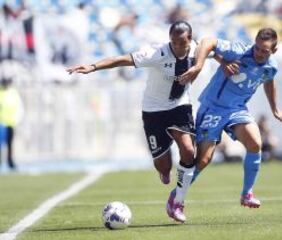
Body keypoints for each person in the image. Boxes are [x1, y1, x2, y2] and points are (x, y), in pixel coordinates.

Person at [67, 21, 200, 223]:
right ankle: (164, 170)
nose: (177, 46)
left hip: (180, 106)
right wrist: (93, 66)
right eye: (173, 42)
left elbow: (216, 50)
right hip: (153, 110)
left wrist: (226, 63)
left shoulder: (198, 50)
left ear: (189, 39)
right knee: (164, 166)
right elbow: (122, 60)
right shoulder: (156, 54)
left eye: (181, 42)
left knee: (189, 151)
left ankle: (177, 202)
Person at [176, 28, 282, 209]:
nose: (259, 53)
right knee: (204, 160)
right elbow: (207, 41)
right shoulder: (239, 51)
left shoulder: (271, 66)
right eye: (258, 48)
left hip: (237, 110)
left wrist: (274, 109)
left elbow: (269, 81)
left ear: (273, 51)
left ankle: (247, 194)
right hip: (212, 107)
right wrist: (200, 65)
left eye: (265, 51)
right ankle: (176, 198)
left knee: (255, 143)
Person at [0, 78, 24, 170]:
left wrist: (17, 119)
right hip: (1, 123)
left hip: (10, 122)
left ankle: (10, 161)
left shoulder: (13, 93)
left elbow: (19, 107)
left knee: (10, 144)